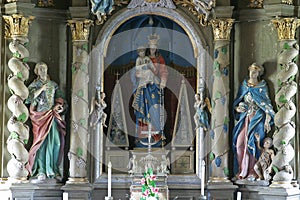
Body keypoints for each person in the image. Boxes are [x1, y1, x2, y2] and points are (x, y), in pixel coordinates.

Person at [232, 63, 275, 180]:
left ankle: (253, 172)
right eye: (251, 71)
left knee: (254, 145)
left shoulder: (262, 86)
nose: (252, 73)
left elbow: (267, 104)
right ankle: (242, 170)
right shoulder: (244, 85)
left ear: (259, 74)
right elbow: (237, 101)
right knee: (239, 144)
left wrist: (267, 119)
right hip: (245, 118)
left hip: (258, 119)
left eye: (255, 72)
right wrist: (237, 108)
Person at [26, 62, 66, 182]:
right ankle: (41, 170)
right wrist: (41, 89)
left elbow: (60, 99)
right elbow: (28, 98)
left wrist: (59, 106)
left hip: (51, 116)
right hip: (39, 117)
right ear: (36, 72)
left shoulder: (53, 85)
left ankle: (53, 168)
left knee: (57, 143)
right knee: (41, 143)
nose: (43, 71)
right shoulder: (35, 85)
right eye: (40, 69)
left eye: (45, 68)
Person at [131, 34, 168, 147]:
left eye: (154, 47)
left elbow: (163, 71)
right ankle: (142, 136)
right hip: (143, 87)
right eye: (151, 47)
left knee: (155, 110)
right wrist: (137, 75)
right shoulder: (141, 59)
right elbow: (135, 73)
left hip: (154, 87)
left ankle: (157, 135)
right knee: (143, 110)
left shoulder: (159, 59)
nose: (153, 49)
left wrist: (163, 81)